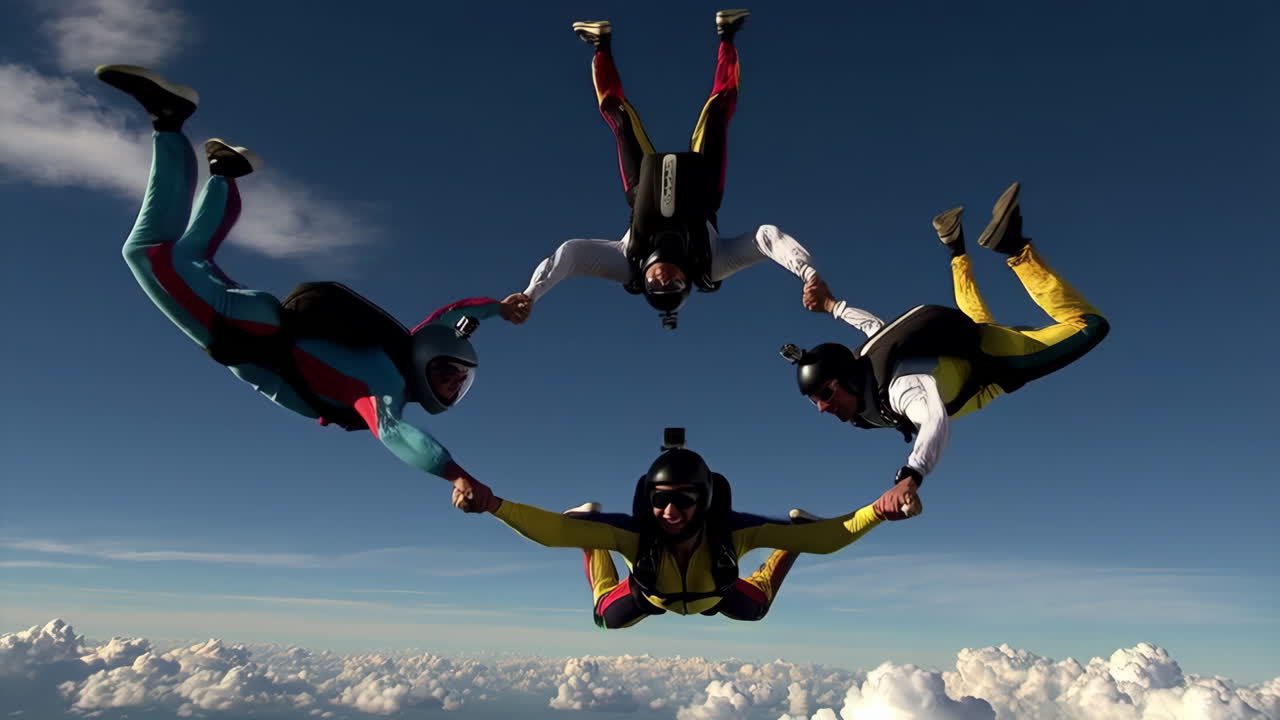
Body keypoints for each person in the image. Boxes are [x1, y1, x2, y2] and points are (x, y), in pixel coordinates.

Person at [97, 64, 527, 500]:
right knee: (148, 254)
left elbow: (450, 317)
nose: (452, 386)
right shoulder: (386, 389)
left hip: (258, 324)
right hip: (241, 332)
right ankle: (170, 121)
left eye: (458, 383)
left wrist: (496, 309)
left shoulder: (399, 348)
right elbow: (395, 433)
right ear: (428, 357)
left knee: (190, 256)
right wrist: (455, 474)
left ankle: (225, 172)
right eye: (449, 374)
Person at [781, 182, 1110, 518]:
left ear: (847, 378)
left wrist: (910, 477)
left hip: (996, 361)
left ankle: (1016, 249)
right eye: (814, 401)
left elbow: (935, 421)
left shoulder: (902, 389)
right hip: (971, 355)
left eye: (825, 393)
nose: (823, 407)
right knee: (975, 319)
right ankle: (956, 246)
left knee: (1091, 327)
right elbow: (872, 328)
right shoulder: (864, 368)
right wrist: (832, 306)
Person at [506, 10, 841, 329]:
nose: (665, 279)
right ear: (686, 282)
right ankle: (727, 36)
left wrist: (530, 294)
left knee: (619, 118)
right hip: (703, 184)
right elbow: (767, 238)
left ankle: (601, 45)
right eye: (675, 285)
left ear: (644, 283)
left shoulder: (626, 265)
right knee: (718, 111)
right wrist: (811, 276)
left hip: (643, 185)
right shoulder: (714, 264)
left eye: (657, 286)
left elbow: (572, 254)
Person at [453, 428, 920, 628]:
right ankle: (587, 527)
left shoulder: (735, 531)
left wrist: (878, 510)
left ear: (705, 500)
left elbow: (828, 539)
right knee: (601, 612)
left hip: (713, 595)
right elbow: (551, 532)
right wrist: (493, 504)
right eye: (660, 500)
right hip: (649, 594)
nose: (670, 511)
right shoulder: (635, 534)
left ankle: (785, 546)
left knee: (758, 606)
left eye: (683, 499)